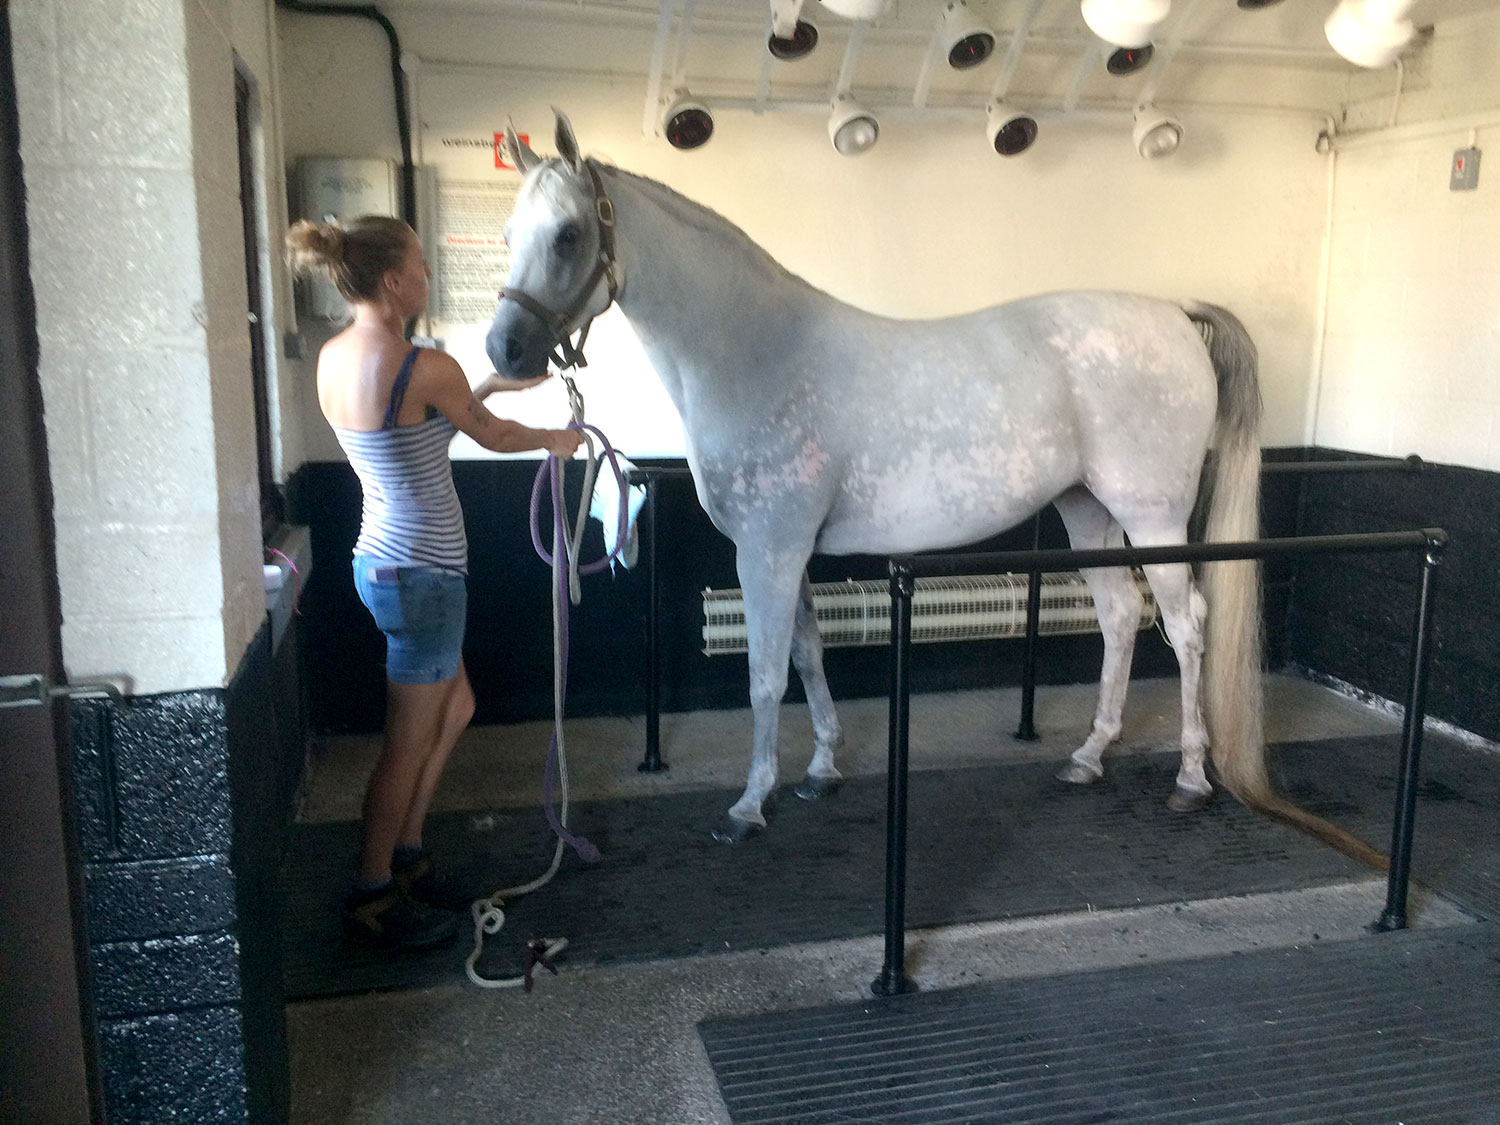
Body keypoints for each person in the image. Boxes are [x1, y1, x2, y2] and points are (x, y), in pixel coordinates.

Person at [285, 215, 583, 950]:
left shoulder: (335, 357)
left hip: (382, 563)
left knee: (457, 707)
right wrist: (557, 439)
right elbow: (490, 433)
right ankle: (372, 892)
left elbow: (421, 426)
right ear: (393, 281)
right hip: (423, 576)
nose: (428, 272)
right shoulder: (423, 364)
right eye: (420, 262)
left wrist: (487, 382)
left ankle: (409, 854)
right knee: (405, 743)